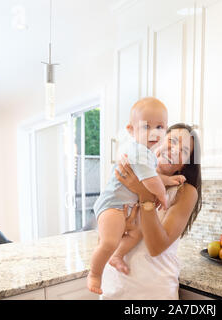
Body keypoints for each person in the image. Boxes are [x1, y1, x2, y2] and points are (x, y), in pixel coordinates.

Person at [86, 97, 185, 294]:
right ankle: (94, 273)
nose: (154, 132)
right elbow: (150, 182)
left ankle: (117, 256)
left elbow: (151, 178)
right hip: (113, 206)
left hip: (149, 286)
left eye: (159, 127)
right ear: (131, 130)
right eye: (147, 127)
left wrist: (168, 182)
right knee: (108, 242)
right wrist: (161, 196)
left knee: (135, 232)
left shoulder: (147, 157)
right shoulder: (139, 151)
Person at [99, 123, 202, 299]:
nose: (175, 150)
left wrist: (143, 191)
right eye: (172, 141)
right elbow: (105, 228)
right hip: (113, 286)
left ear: (183, 166)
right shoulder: (131, 170)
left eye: (184, 151)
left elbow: (156, 247)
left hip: (152, 292)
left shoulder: (185, 192)